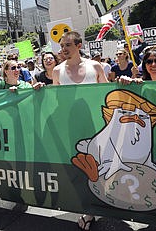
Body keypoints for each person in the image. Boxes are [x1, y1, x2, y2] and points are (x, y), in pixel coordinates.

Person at [51, 31, 107, 230]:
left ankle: (107, 202)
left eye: (68, 45)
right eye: (62, 46)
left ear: (79, 45)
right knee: (81, 168)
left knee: (101, 166)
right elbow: (54, 101)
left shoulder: (95, 66)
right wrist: (40, 89)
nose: (64, 49)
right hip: (72, 128)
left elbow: (108, 94)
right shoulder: (57, 71)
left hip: (97, 126)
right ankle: (89, 210)